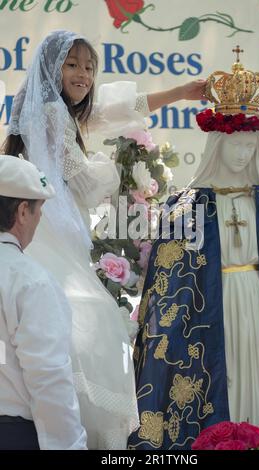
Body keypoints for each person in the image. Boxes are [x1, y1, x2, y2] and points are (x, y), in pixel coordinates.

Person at [1, 30, 207, 449]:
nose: (83, 75)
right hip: (52, 242)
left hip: (54, 237)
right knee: (87, 327)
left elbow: (117, 109)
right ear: (51, 69)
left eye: (90, 67)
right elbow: (87, 182)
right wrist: (116, 168)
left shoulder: (54, 111)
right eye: (72, 65)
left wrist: (183, 91)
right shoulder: (54, 116)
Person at [128, 54, 259, 450]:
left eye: (250, 145)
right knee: (227, 377)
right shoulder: (188, 206)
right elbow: (170, 280)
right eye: (236, 144)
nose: (243, 153)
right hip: (211, 310)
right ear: (217, 144)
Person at [0, 155, 87, 450]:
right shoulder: (29, 280)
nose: (40, 221)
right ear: (23, 211)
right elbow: (48, 378)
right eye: (39, 211)